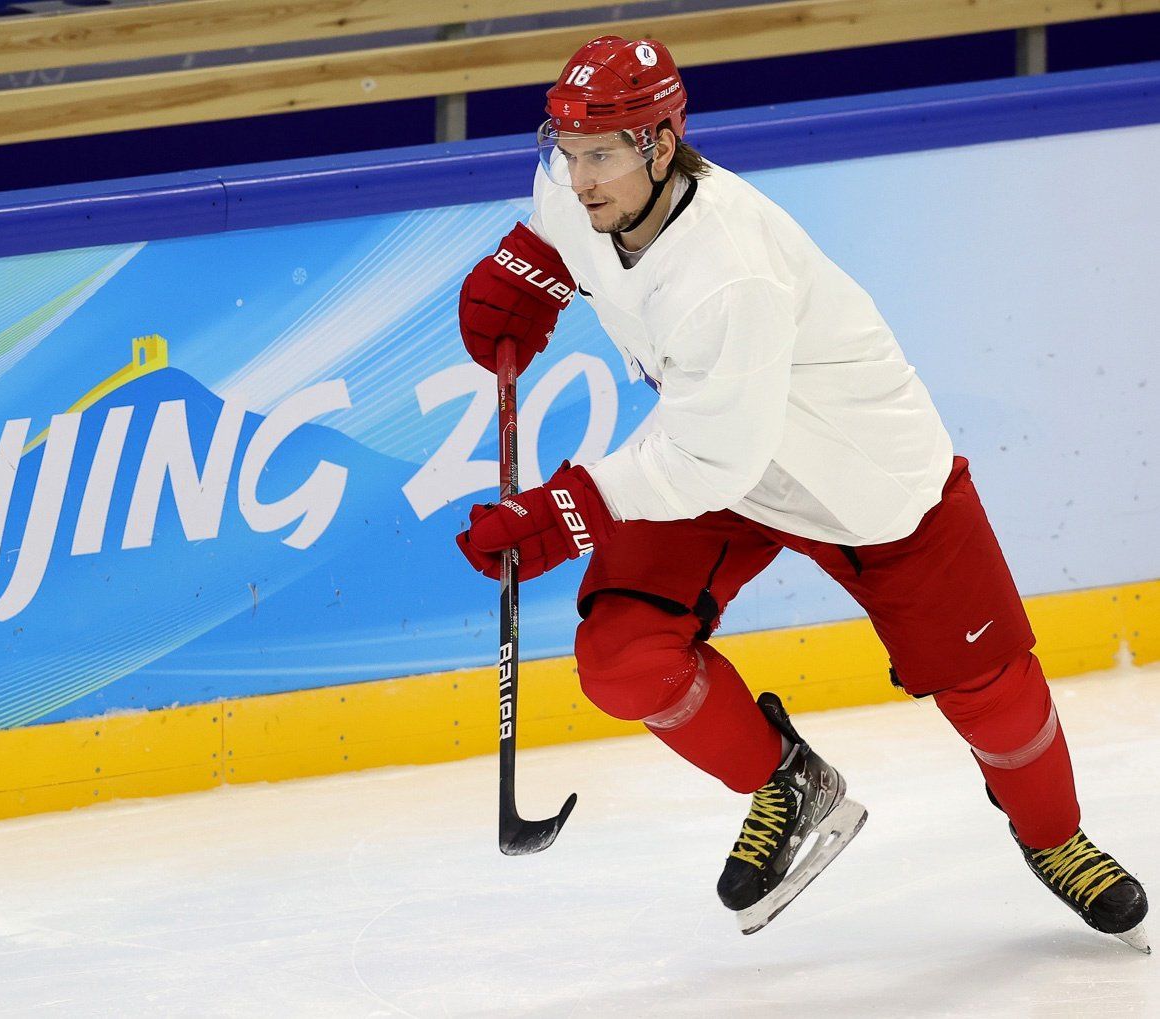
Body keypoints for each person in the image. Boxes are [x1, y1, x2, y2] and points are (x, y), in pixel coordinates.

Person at [454, 35, 1149, 947]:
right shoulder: (577, 193)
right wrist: (526, 268)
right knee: (623, 653)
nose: (578, 178)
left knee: (996, 697)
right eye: (568, 150)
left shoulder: (729, 269)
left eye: (602, 155)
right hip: (727, 463)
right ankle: (788, 782)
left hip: (869, 485)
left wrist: (564, 512)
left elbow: (710, 459)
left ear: (662, 144)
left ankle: (1058, 838)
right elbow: (562, 235)